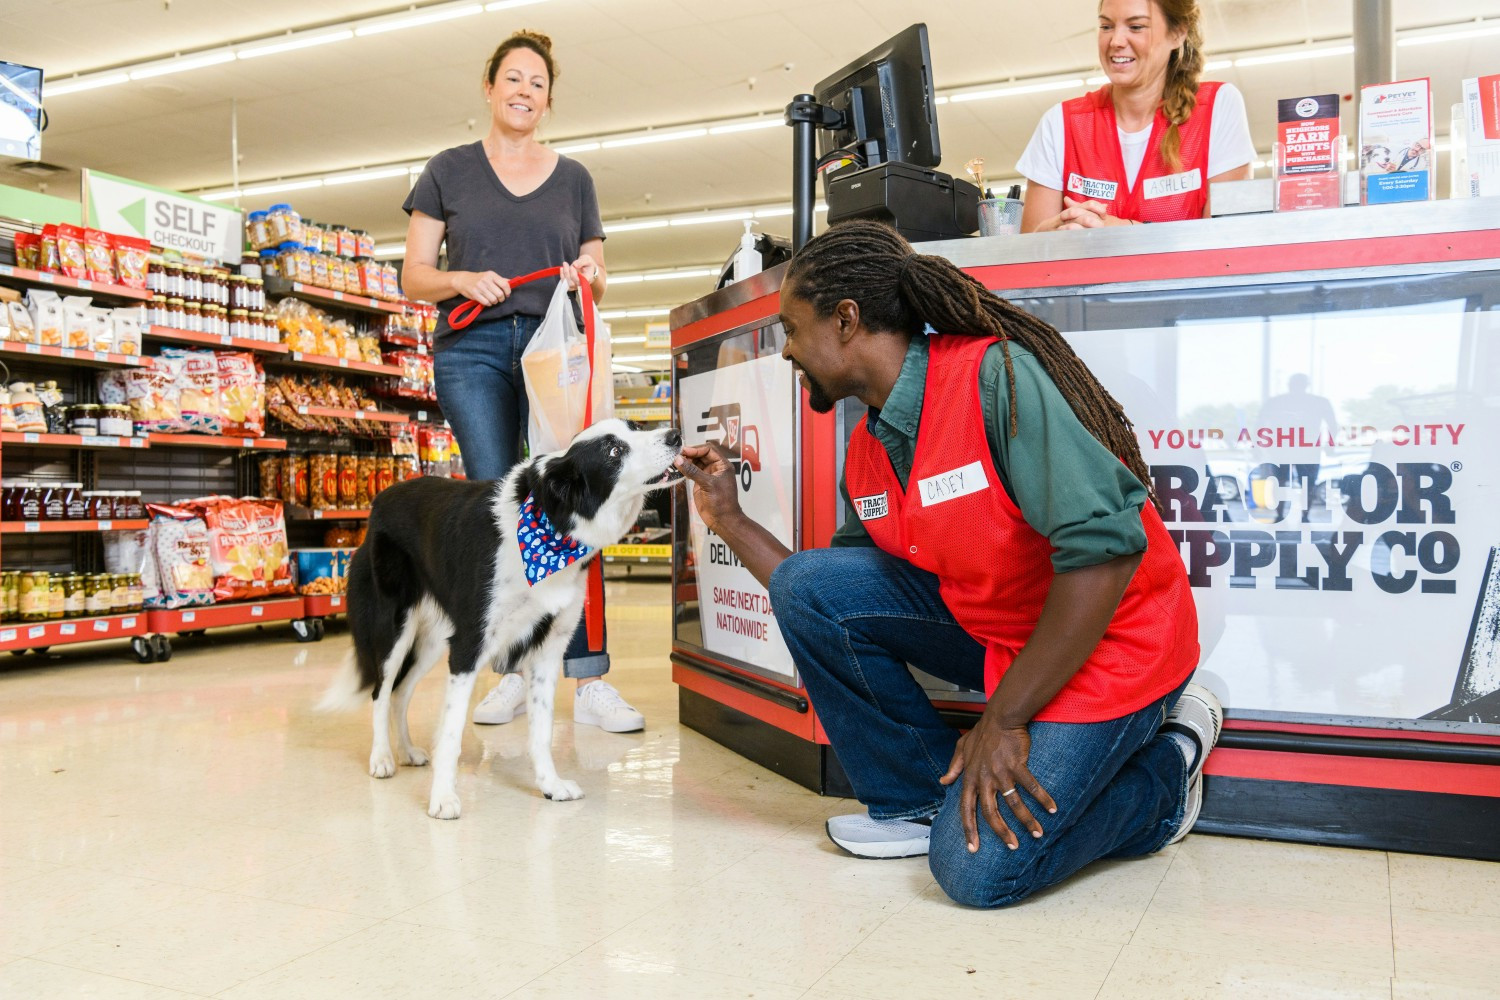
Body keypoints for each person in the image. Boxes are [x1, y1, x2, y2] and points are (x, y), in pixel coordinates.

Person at [674, 221, 1222, 908]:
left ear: (846, 321)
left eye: (791, 328)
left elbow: (1107, 553)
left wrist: (1006, 719)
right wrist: (729, 518)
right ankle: (918, 799)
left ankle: (1167, 778)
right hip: (1009, 637)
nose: (786, 351)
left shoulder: (994, 379)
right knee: (812, 586)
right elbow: (818, 598)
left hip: (1114, 644)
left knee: (977, 873)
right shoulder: (871, 451)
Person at [400, 29, 643, 733]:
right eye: (513, 78)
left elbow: (597, 269)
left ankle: (588, 676)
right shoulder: (448, 169)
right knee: (502, 508)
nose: (524, 91)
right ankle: (509, 672)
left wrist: (588, 275)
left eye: (538, 83)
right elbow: (413, 275)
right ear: (489, 87)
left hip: (552, 356)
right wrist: (457, 277)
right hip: (471, 351)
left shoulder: (574, 180)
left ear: (549, 100)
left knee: (578, 501)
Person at [1018, 0, 1254, 232]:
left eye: (1136, 26)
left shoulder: (1216, 107)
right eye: (1106, 26)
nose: (1116, 41)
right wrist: (1051, 235)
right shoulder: (1060, 123)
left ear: (1178, 33)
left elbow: (1228, 246)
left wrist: (1122, 232)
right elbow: (1028, 255)